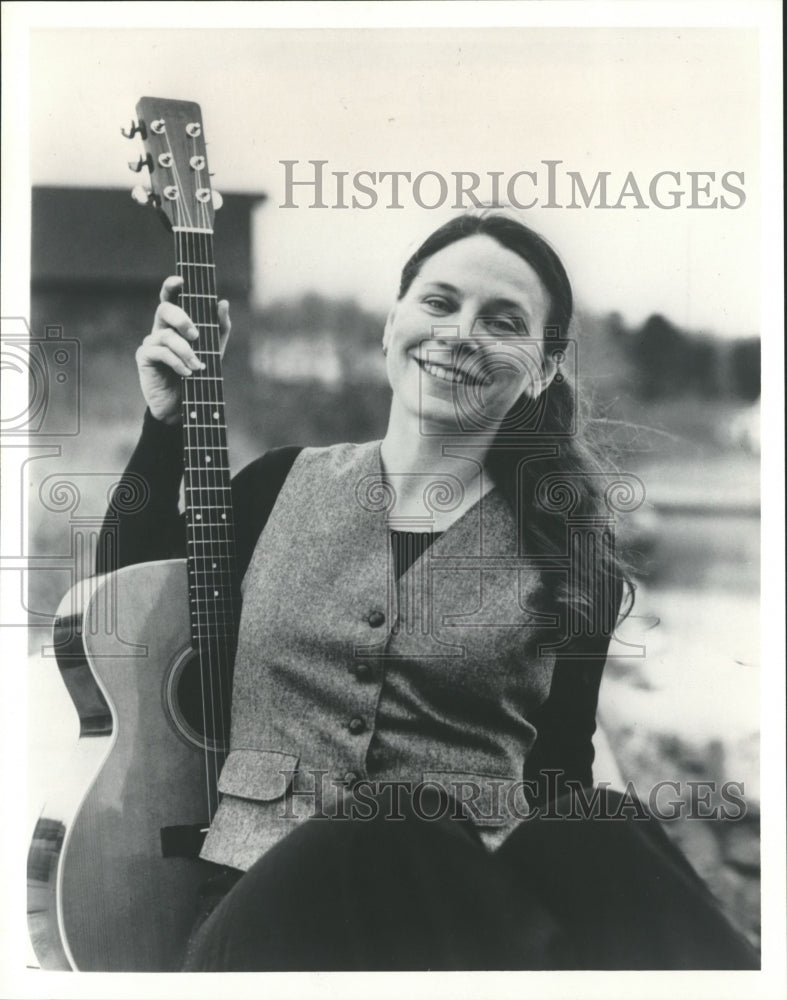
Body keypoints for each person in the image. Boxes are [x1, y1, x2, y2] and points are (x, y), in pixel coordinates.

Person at [101, 209, 758, 971]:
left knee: (593, 821)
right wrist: (163, 428)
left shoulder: (569, 553)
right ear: (391, 326)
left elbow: (555, 775)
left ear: (541, 370)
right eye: (439, 303)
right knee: (391, 815)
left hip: (457, 930)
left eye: (502, 321)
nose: (460, 333)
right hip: (265, 925)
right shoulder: (274, 488)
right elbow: (119, 610)